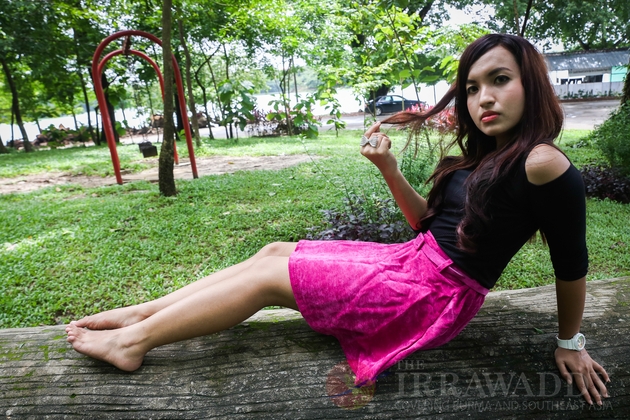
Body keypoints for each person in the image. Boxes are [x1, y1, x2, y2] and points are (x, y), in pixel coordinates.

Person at [66, 34, 609, 406]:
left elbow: (572, 266)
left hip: (432, 296)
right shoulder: (488, 154)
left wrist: (571, 341)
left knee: (269, 278)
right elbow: (426, 225)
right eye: (471, 87)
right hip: (412, 264)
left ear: (531, 84)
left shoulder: (542, 162)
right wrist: (389, 169)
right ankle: (143, 313)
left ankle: (133, 343)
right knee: (274, 251)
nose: (483, 98)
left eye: (499, 80)